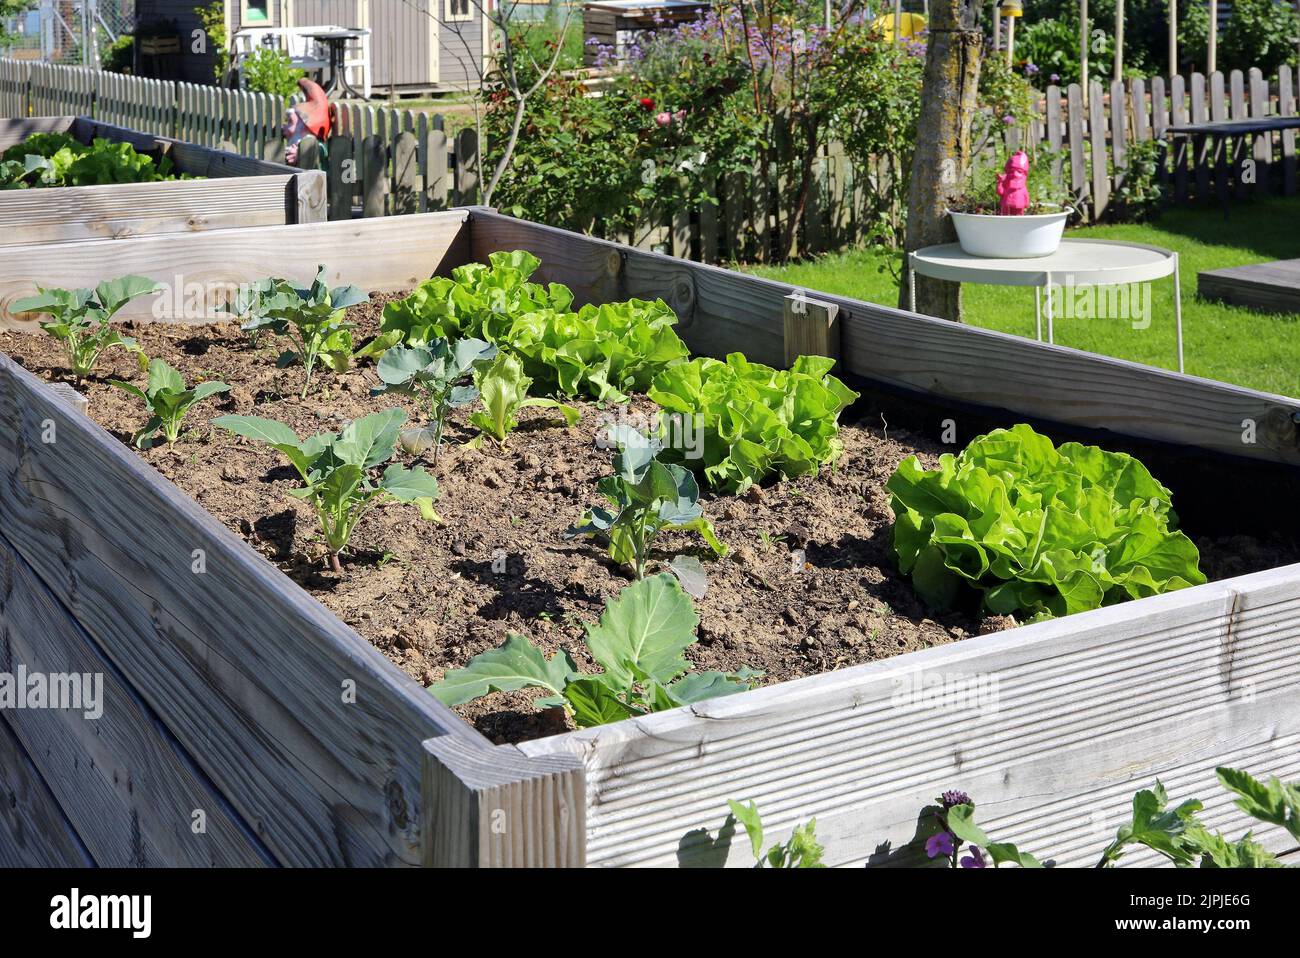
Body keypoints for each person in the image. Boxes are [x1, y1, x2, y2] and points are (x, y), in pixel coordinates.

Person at [282, 77, 333, 166]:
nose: (284, 126)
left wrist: (299, 155)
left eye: (290, 122)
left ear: (305, 127)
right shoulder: (295, 143)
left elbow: (316, 153)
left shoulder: (318, 146)